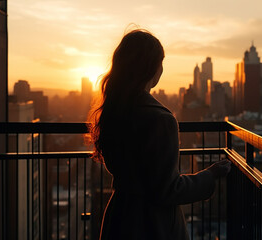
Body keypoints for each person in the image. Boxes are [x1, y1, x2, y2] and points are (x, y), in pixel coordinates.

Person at [88, 29, 231, 240]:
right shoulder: (160, 119)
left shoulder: (114, 111)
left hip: (119, 218)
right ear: (151, 68)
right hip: (151, 226)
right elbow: (168, 190)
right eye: (160, 63)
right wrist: (210, 175)